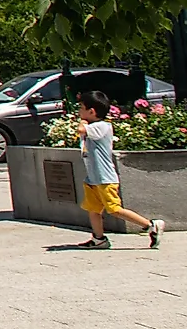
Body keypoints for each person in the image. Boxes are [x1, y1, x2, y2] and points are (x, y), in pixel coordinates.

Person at [69, 92, 165, 249]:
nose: (79, 111)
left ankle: (150, 225)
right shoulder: (93, 126)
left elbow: (82, 130)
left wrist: (82, 121)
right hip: (93, 178)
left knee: (114, 209)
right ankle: (98, 238)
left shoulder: (102, 127)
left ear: (92, 111)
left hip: (105, 178)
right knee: (93, 209)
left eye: (81, 108)